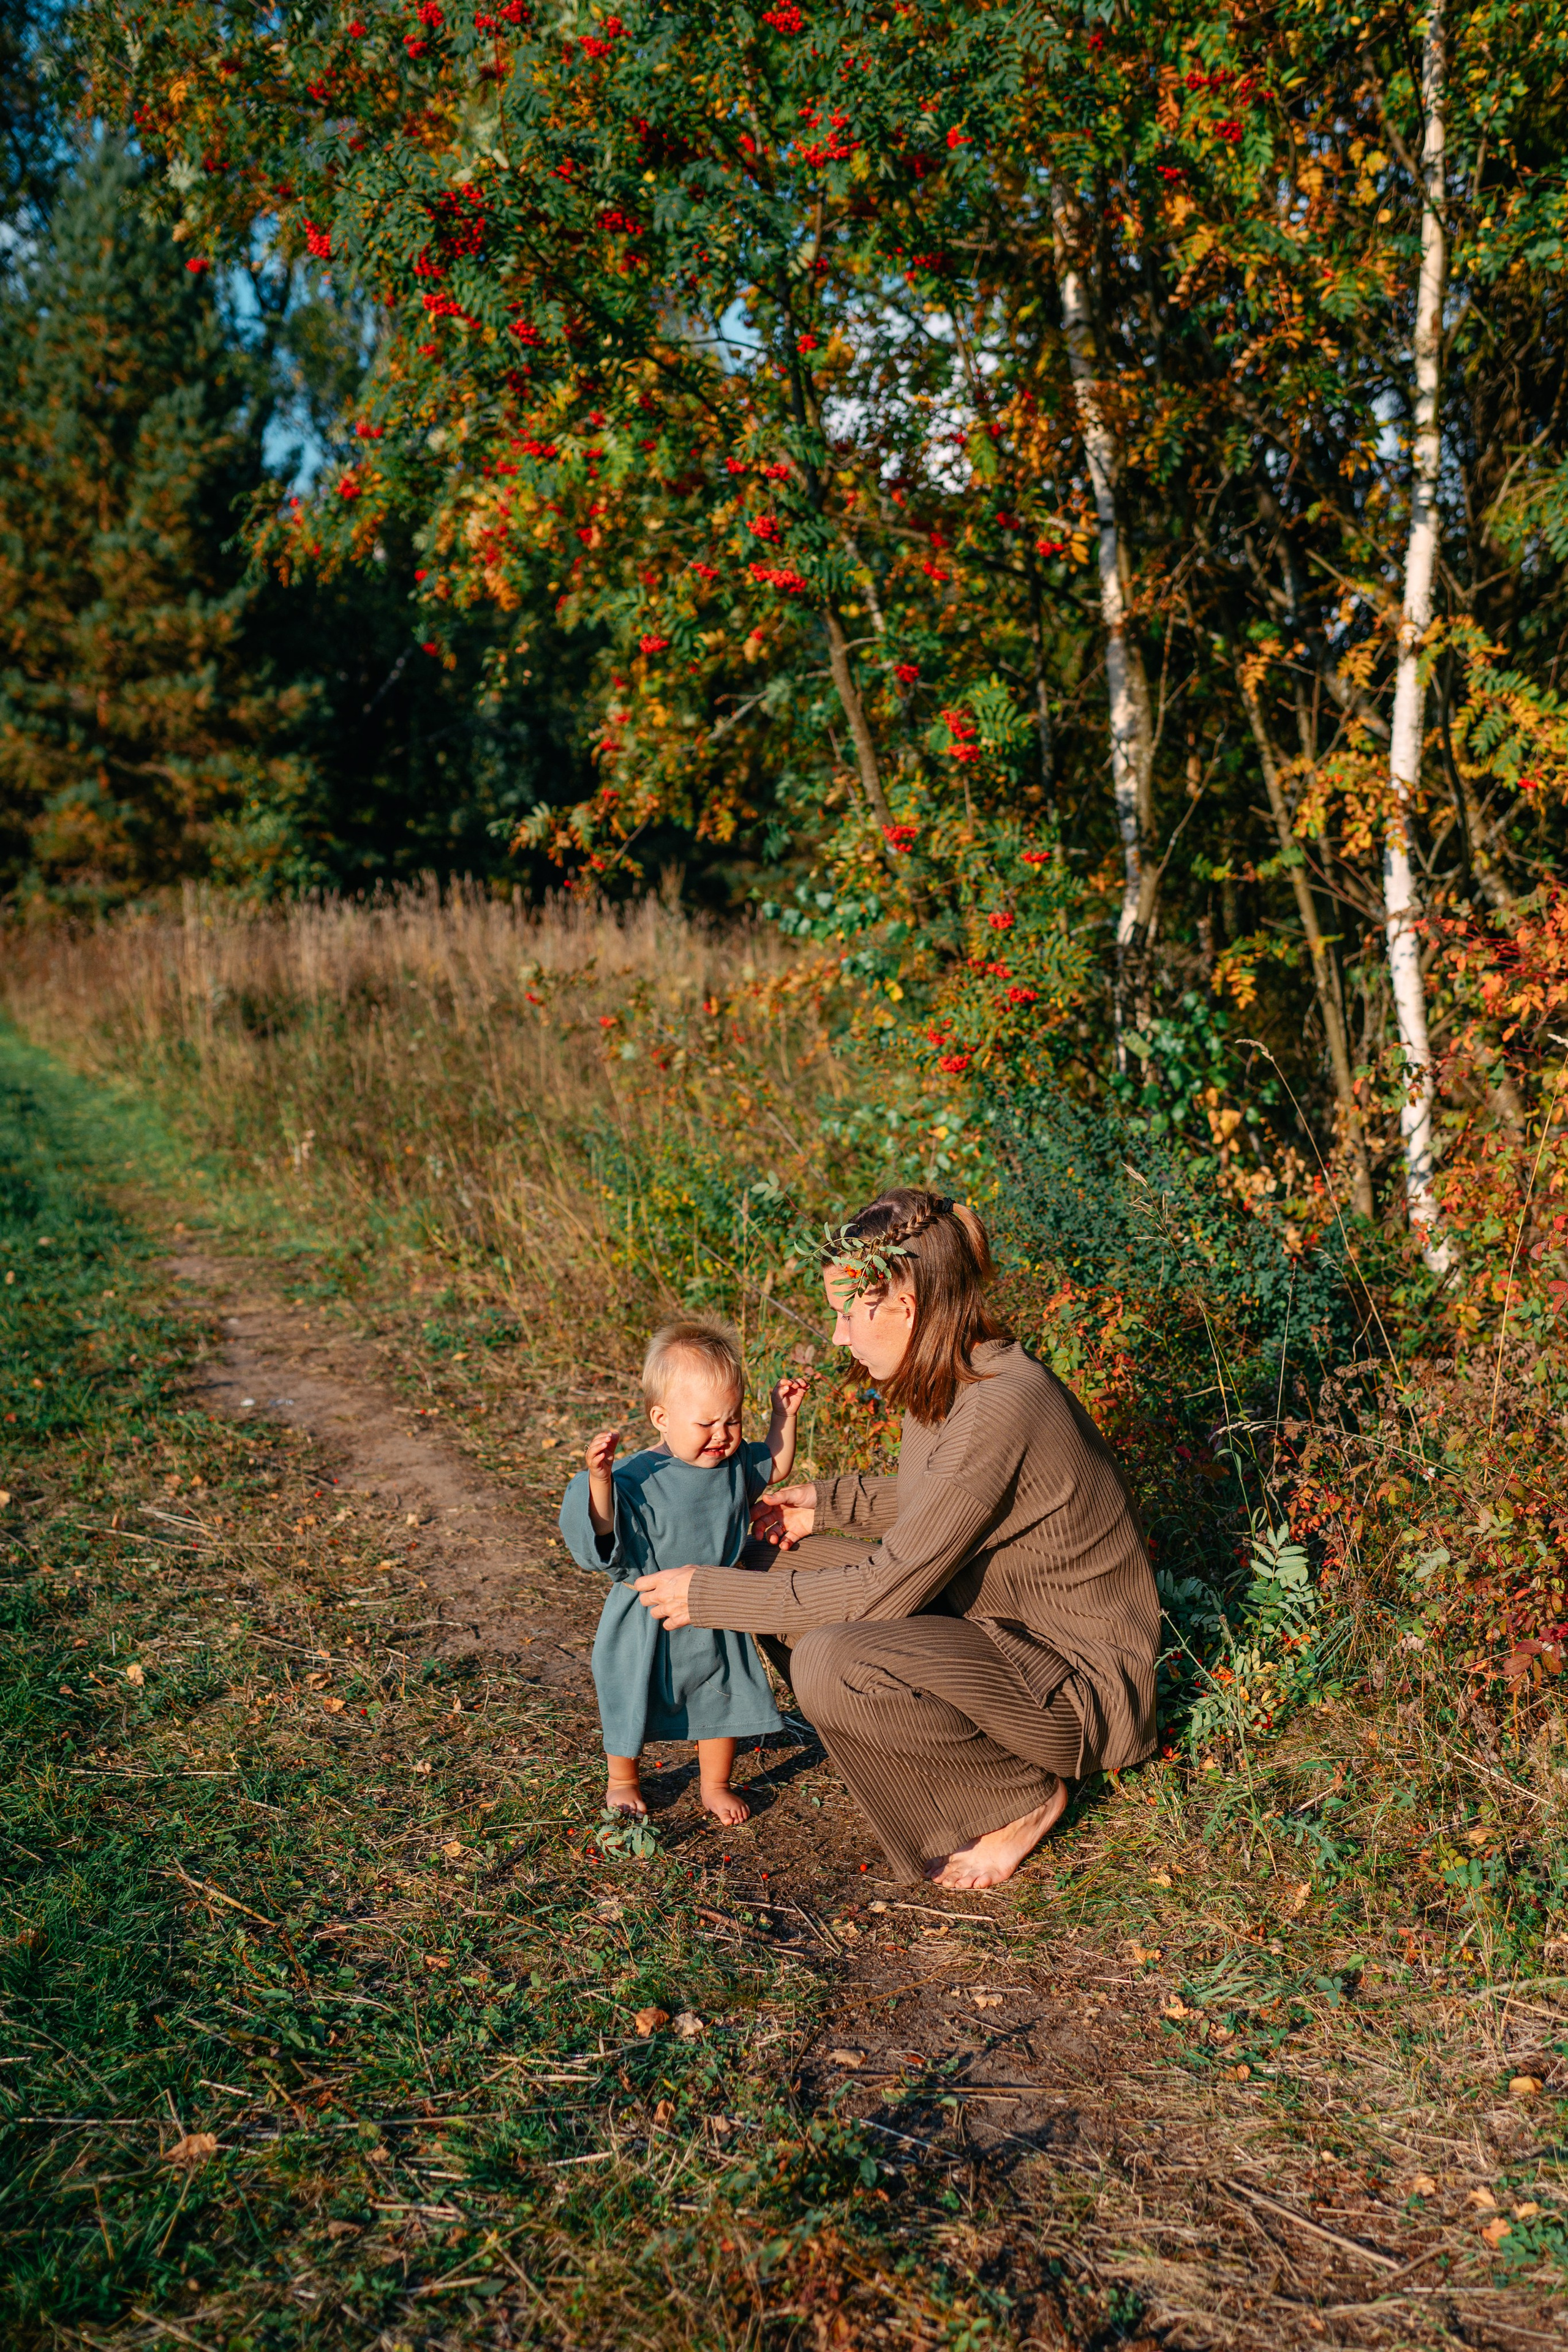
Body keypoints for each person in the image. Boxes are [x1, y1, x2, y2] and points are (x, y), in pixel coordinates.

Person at [631, 1190, 1160, 1889]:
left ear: (902, 1308)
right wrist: (827, 1504)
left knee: (829, 1656)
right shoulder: (958, 1372)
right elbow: (951, 1498)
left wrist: (711, 1595)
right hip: (999, 1632)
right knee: (764, 1553)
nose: (838, 1336)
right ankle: (943, 1765)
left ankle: (1021, 1795)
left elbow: (886, 1587)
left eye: (848, 1312)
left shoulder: (1002, 1401)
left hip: (1077, 1686)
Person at [559, 1317, 807, 1825]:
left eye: (733, 1420)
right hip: (647, 1609)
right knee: (631, 1692)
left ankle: (714, 1783)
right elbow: (603, 1538)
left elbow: (776, 1467)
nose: (723, 1436)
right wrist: (600, 1481)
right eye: (706, 1424)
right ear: (661, 1417)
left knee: (724, 1692)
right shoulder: (637, 1476)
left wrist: (783, 1417)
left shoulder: (732, 1466)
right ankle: (623, 1779)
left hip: (713, 1604)